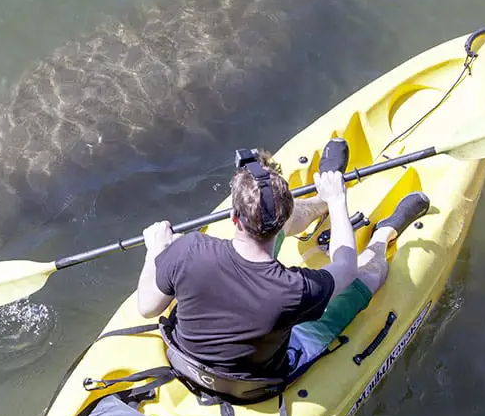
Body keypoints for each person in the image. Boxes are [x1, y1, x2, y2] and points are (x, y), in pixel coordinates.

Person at [135, 140, 430, 381]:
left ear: (233, 217)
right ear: (283, 218)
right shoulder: (294, 289)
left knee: (262, 232)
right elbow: (346, 268)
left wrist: (154, 252)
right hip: (259, 380)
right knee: (369, 277)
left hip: (188, 364)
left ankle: (320, 201)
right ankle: (383, 235)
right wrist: (339, 201)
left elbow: (148, 307)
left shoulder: (188, 250)